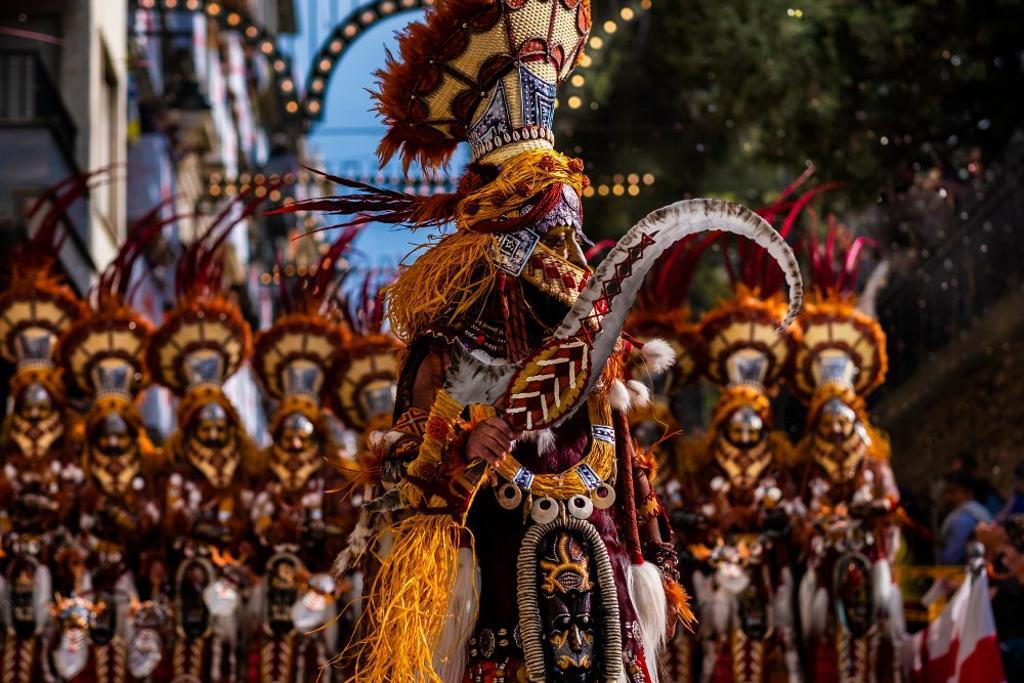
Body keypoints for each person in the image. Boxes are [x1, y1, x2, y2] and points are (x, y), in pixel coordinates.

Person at [938, 471, 992, 565]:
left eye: (952, 492)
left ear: (968, 493)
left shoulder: (962, 521)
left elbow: (950, 559)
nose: (948, 497)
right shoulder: (975, 512)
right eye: (946, 492)